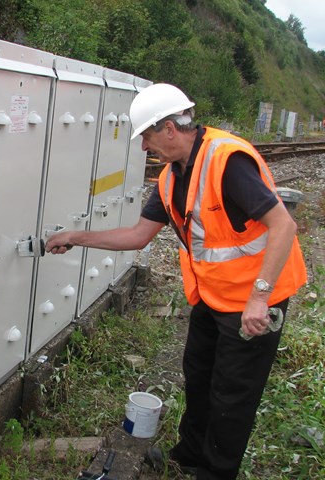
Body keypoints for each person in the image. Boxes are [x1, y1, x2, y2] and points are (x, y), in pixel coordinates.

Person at [45, 83, 307, 479]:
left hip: (253, 299)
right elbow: (137, 235)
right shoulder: (170, 178)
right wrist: (76, 237)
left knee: (231, 393)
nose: (144, 147)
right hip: (211, 296)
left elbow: (283, 225)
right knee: (198, 374)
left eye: (147, 136)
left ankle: (215, 473)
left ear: (169, 128)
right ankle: (189, 454)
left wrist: (260, 297)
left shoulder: (226, 160)